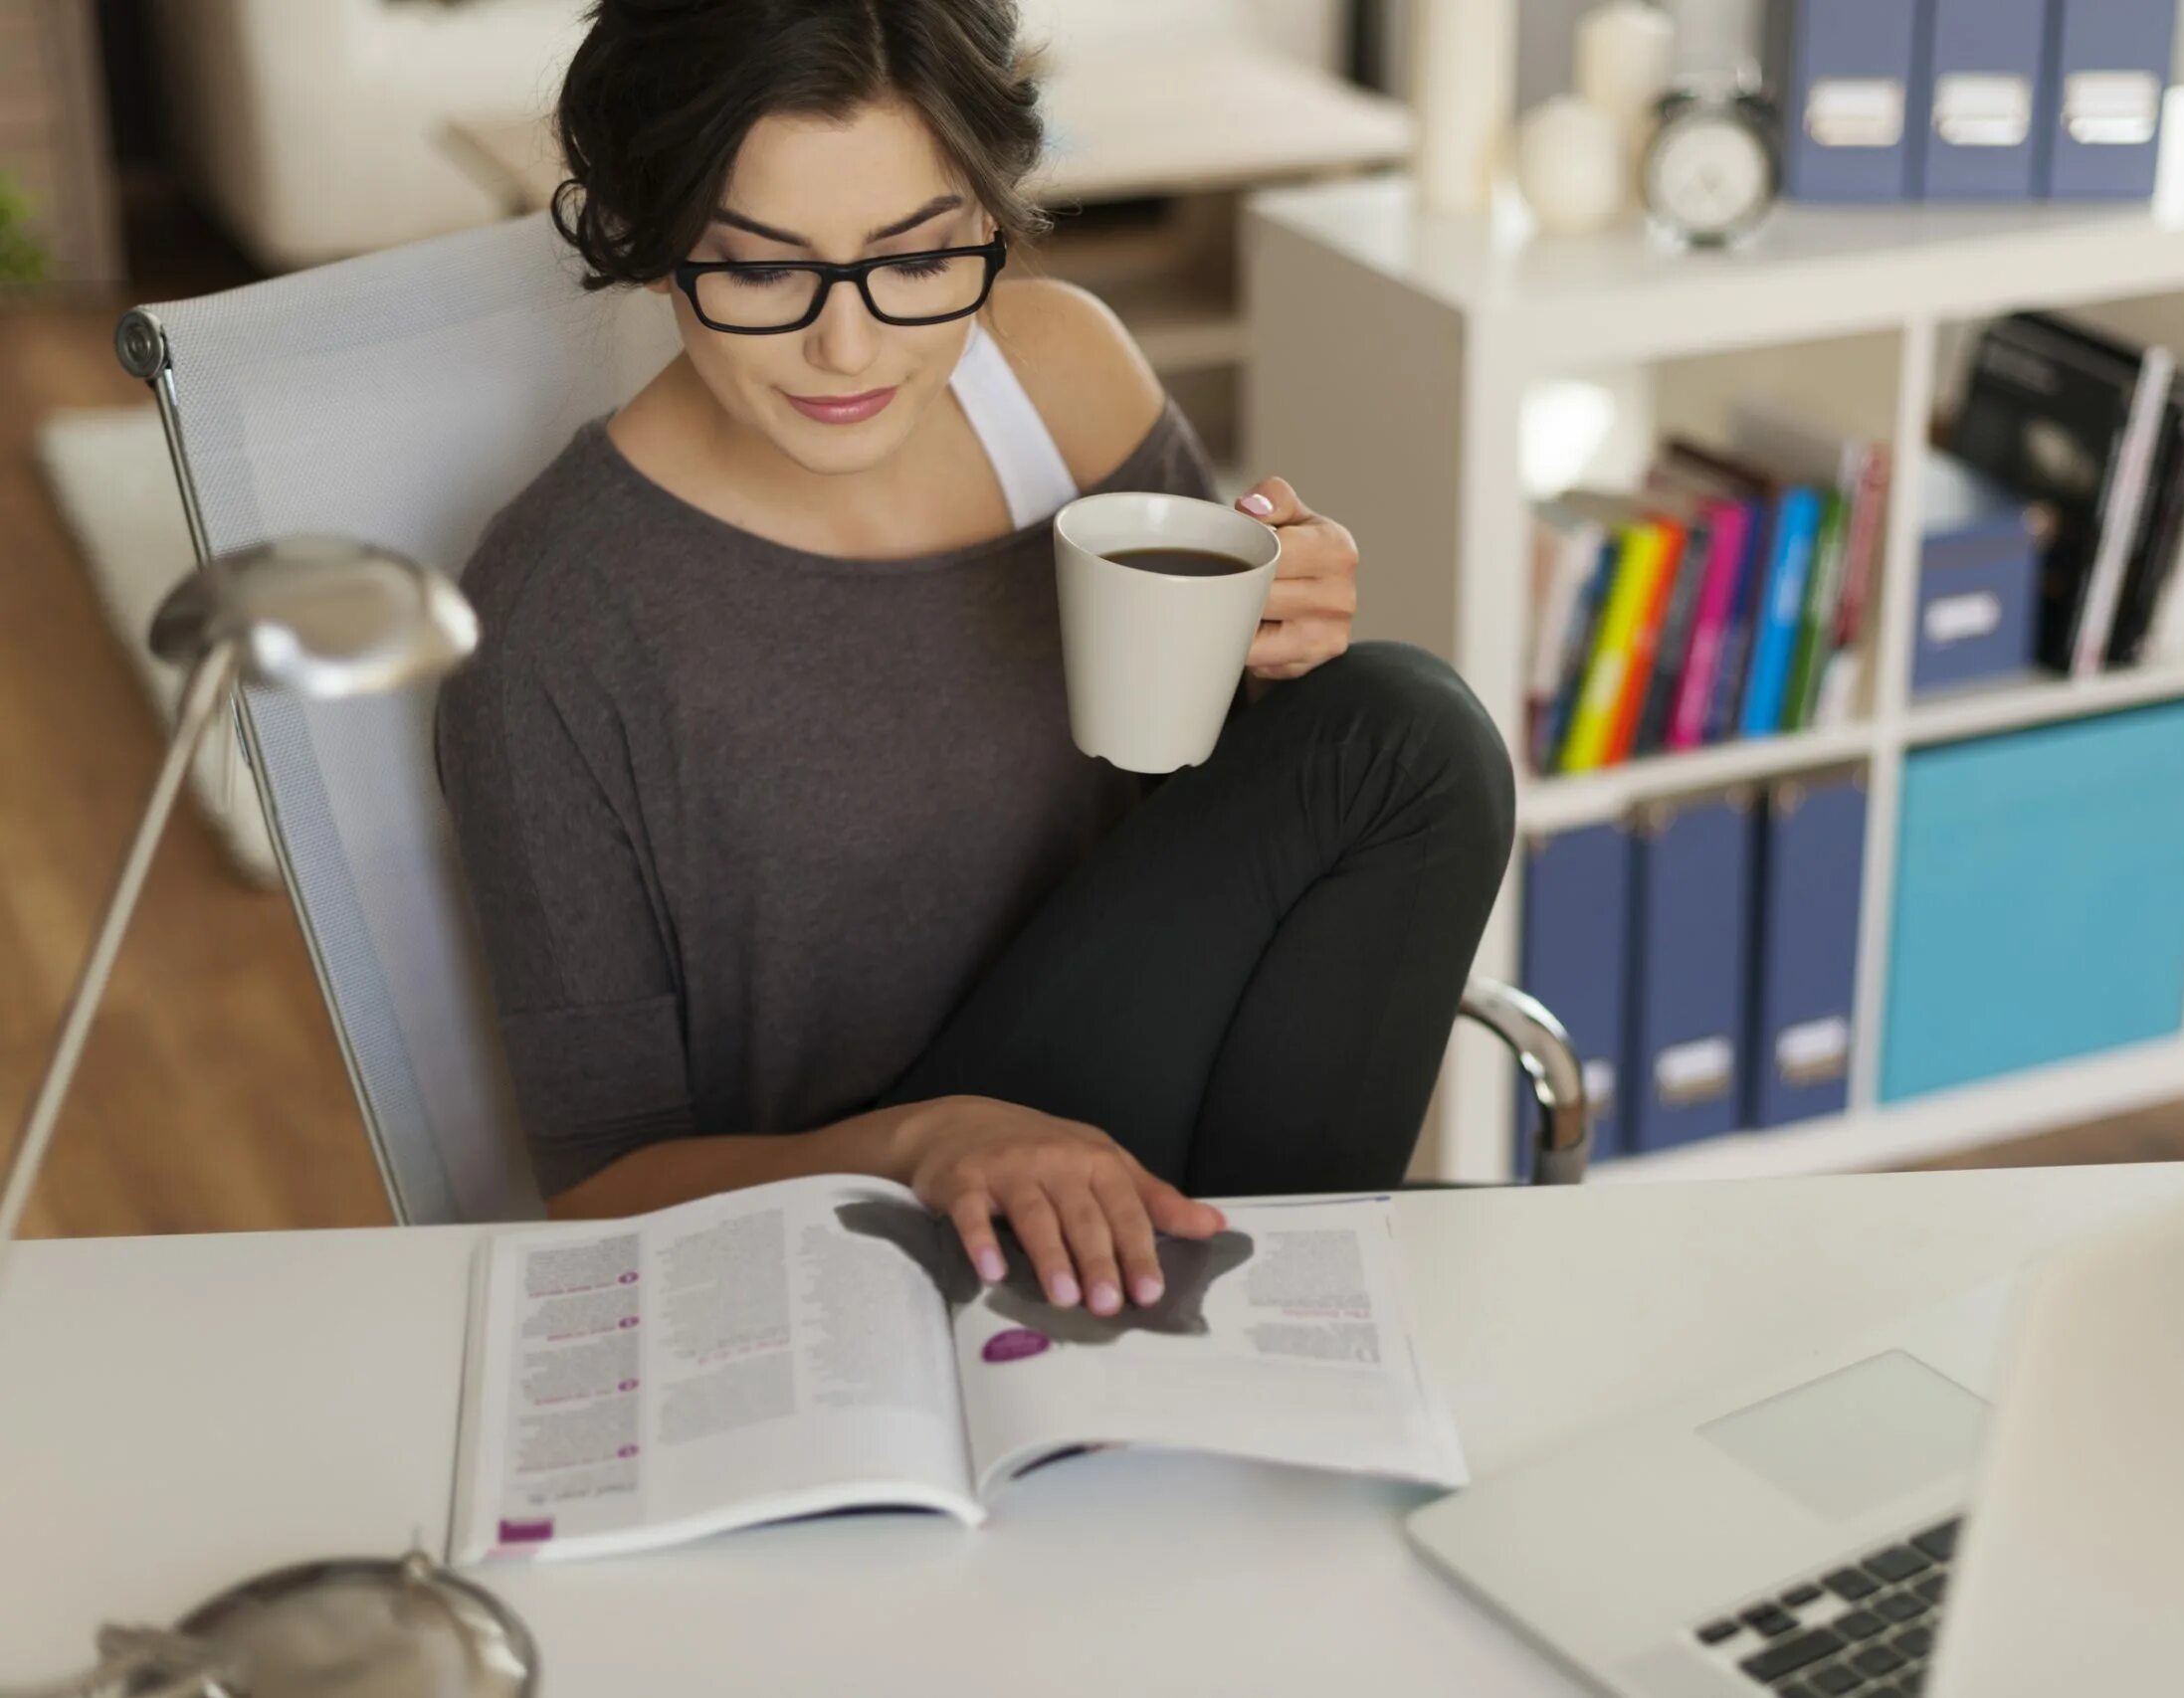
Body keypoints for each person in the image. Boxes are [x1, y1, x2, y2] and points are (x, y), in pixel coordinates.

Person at [434, 0, 1514, 1325]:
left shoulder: (1057, 388)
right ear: (658, 246)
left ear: (989, 215)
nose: (852, 347)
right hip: (866, 1235)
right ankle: (1251, 1334)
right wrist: (925, 1142)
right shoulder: (556, 620)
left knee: (1403, 731)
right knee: (1403, 735)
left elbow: (1218, 816)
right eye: (763, 269)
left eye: (921, 253)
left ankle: (1235, 1330)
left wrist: (1282, 637)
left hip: (1156, 1153)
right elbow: (599, 1196)